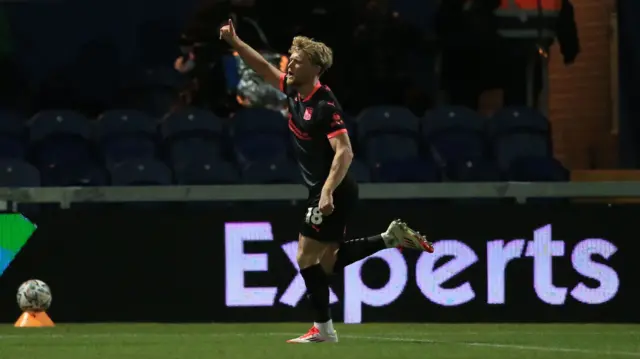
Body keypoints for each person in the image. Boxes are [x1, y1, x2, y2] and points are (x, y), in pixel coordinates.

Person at [220, 19, 435, 343]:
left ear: (316, 68)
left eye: (298, 60)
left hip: (332, 190)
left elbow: (345, 152)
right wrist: (236, 43)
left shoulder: (323, 106)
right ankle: (390, 239)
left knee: (306, 256)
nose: (290, 64)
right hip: (327, 190)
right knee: (329, 263)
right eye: (290, 59)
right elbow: (264, 68)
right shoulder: (293, 91)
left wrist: (327, 192)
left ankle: (323, 330)